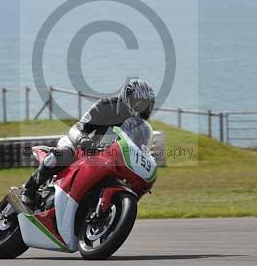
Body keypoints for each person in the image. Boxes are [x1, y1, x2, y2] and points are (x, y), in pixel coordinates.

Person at [20, 78, 156, 206]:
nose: (141, 109)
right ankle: (29, 189)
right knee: (60, 155)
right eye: (139, 103)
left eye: (146, 106)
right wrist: (83, 140)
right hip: (82, 148)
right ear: (128, 98)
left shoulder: (139, 127)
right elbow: (79, 127)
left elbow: (140, 149)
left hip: (110, 160)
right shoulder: (106, 106)